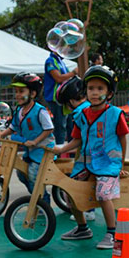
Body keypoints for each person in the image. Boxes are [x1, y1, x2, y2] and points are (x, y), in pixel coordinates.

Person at [55, 65, 129, 249]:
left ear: (109, 93)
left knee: (104, 194)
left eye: (100, 89)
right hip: (86, 163)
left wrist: (121, 164)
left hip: (108, 164)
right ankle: (82, 228)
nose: (94, 93)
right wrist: (60, 149)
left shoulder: (115, 114)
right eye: (90, 88)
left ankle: (112, 233)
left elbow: (122, 139)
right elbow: (76, 140)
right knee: (68, 190)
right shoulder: (82, 115)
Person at [0, 72, 55, 202]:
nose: (18, 95)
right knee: (21, 173)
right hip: (30, 150)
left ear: (32, 94)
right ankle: (36, 195)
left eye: (21, 91)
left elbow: (49, 129)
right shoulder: (19, 111)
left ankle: (43, 201)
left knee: (33, 174)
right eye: (16, 91)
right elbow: (13, 127)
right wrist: (0, 135)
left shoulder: (40, 111)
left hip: (43, 150)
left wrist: (35, 141)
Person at [54, 76, 95, 221]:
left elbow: (78, 140)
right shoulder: (89, 108)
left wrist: (61, 150)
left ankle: (86, 215)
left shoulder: (79, 114)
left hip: (89, 159)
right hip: (95, 156)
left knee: (71, 190)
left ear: (71, 101)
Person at [43, 50, 78, 144]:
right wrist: (74, 72)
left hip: (65, 98)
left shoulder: (61, 62)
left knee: (70, 124)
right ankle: (58, 151)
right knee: (60, 125)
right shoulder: (50, 61)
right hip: (55, 98)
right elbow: (58, 78)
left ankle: (71, 153)